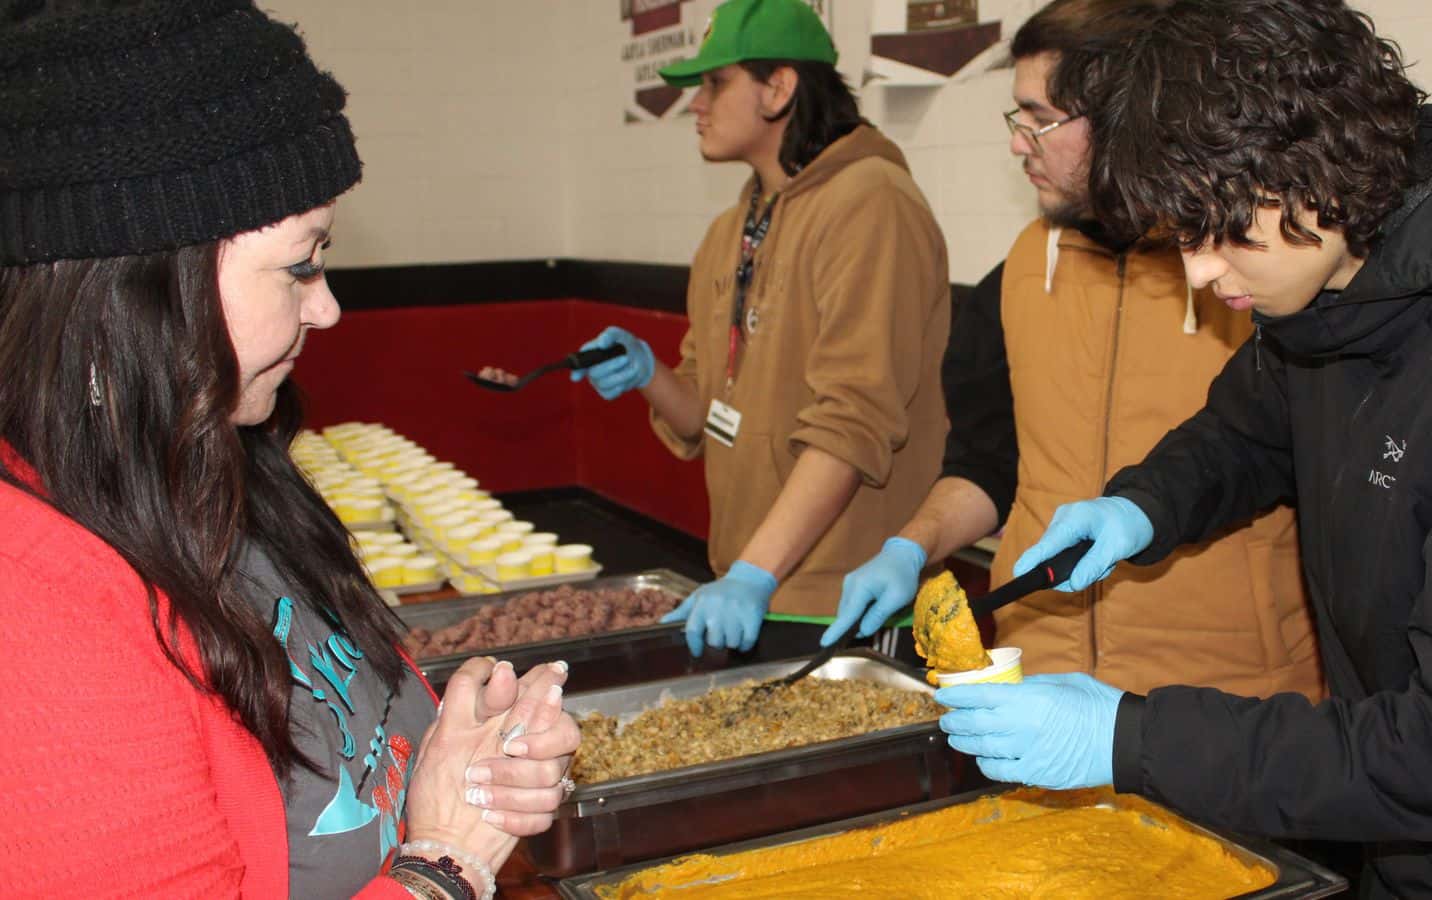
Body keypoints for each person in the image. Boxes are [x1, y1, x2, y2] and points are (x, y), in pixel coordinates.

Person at [934, 0, 1432, 895]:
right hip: (1393, 819)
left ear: (1317, 171)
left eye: (1220, 232)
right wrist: (1143, 507)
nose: (1202, 273)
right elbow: (1249, 428)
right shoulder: (1322, 270)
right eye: (1183, 237)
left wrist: (1130, 739)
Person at [0, 2, 580, 897]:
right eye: (301, 264)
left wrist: (456, 758)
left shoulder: (217, 462)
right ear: (146, 284)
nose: (327, 308)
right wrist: (444, 866)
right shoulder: (36, 613)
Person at [823, 0, 1322, 703]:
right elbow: (989, 465)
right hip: (1043, 688)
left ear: (1129, 117)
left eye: (1040, 119)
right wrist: (912, 546)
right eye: (1016, 117)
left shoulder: (1251, 277)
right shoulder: (1018, 276)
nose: (1018, 142)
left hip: (1227, 708)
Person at [556, 0, 949, 658]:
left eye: (715, 83)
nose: (698, 105)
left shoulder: (871, 203)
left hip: (847, 603)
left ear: (780, 87)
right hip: (750, 587)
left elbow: (855, 420)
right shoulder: (728, 230)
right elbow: (701, 417)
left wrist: (753, 573)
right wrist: (651, 375)